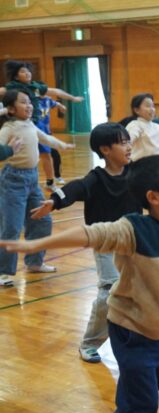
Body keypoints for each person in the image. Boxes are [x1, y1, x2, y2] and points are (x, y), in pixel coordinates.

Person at [0, 155, 159, 413]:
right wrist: (36, 245)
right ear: (153, 197)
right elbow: (90, 234)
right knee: (140, 406)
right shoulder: (132, 230)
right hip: (132, 331)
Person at [30, 123, 159, 361]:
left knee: (138, 288)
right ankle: (90, 343)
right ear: (105, 149)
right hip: (107, 244)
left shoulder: (135, 172)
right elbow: (76, 188)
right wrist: (54, 201)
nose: (129, 146)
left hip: (135, 242)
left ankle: (140, 329)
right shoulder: (96, 178)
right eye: (122, 143)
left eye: (128, 141)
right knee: (108, 290)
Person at [0, 89, 74, 287]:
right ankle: (3, 272)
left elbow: (44, 138)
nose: (29, 105)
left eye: (29, 102)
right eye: (23, 102)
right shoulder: (8, 128)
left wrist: (62, 145)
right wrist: (9, 150)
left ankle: (34, 263)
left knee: (42, 220)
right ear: (11, 109)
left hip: (32, 179)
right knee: (11, 227)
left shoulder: (30, 124)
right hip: (13, 180)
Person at [1, 60, 83, 126]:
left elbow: (56, 91)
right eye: (23, 72)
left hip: (34, 121)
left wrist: (73, 98)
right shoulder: (13, 87)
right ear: (16, 77)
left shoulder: (36, 87)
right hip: (18, 121)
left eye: (28, 71)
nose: (27, 73)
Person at [36, 94, 67, 191]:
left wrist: (61, 106)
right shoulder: (32, 100)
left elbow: (56, 103)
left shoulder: (48, 100)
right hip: (35, 133)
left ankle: (57, 176)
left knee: (55, 155)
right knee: (36, 157)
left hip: (47, 134)